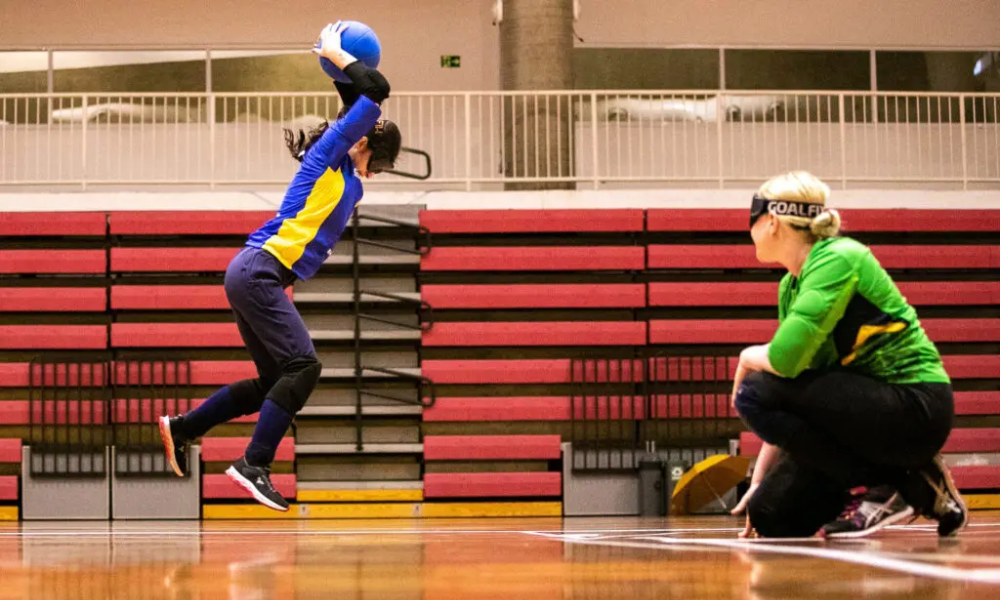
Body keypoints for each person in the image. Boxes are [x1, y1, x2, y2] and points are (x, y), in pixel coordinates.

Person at [157, 22, 401, 512]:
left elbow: (360, 98)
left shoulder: (347, 172)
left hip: (257, 274)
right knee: (304, 367)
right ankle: (254, 465)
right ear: (362, 143)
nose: (381, 168)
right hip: (259, 271)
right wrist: (336, 54)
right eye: (383, 159)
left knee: (274, 382)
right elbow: (376, 90)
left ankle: (184, 428)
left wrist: (340, 75)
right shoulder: (331, 153)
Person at [728, 171, 967, 539]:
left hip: (913, 406)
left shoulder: (839, 257)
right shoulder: (791, 285)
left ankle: (893, 483)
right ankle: (905, 483)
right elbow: (792, 382)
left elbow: (783, 361)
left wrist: (746, 356)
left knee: (753, 391)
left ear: (771, 221)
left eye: (752, 220)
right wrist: (758, 480)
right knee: (771, 515)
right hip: (857, 417)